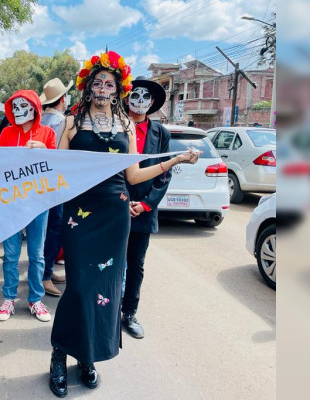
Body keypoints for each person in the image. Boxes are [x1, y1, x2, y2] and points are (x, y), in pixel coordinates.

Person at [48, 51, 198, 397]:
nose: (103, 87)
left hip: (114, 214)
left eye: (110, 83)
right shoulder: (71, 122)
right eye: (98, 82)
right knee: (80, 288)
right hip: (80, 213)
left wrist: (173, 160)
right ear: (89, 86)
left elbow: (133, 173)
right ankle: (59, 354)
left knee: (106, 290)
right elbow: (57, 169)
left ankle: (88, 358)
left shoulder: (127, 125)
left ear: (118, 89)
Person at [0, 90, 57, 322]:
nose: (18, 110)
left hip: (38, 203)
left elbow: (57, 168)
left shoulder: (48, 133)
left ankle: (35, 299)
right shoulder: (7, 132)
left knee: (36, 254)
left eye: (24, 105)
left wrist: (46, 152)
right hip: (11, 203)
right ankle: (9, 297)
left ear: (35, 108)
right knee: (10, 254)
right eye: (15, 106)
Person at [121, 77, 171, 340]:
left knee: (136, 264)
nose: (139, 101)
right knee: (112, 261)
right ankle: (105, 310)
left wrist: (145, 203)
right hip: (116, 206)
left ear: (152, 103)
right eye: (135, 96)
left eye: (145, 98)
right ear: (127, 98)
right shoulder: (117, 127)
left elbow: (164, 174)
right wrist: (120, 200)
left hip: (144, 210)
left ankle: (129, 312)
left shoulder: (160, 133)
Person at [39, 78, 73, 297]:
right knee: (54, 228)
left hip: (41, 183)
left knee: (46, 229)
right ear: (63, 99)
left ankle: (46, 272)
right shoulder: (62, 122)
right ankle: (45, 275)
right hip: (57, 182)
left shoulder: (40, 119)